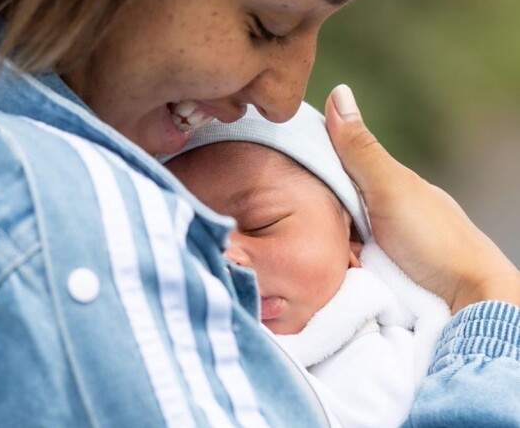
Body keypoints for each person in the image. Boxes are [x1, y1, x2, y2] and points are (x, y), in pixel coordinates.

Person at [0, 0, 517, 426]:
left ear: (353, 242)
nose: (287, 97)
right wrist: (488, 290)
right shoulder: (65, 234)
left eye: (263, 223)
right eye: (268, 23)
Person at [163, 102, 452, 427]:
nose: (227, 259)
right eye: (194, 248)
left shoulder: (429, 352)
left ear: (351, 237)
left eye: (261, 223)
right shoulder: (179, 375)